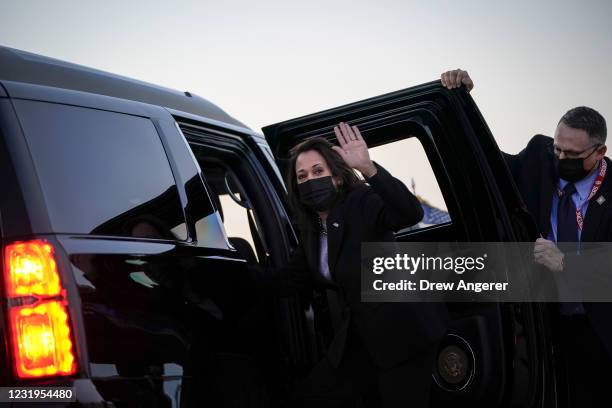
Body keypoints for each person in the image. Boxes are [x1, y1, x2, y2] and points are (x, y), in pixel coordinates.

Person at [441, 69, 612, 407]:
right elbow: (491, 167)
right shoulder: (539, 155)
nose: (561, 158)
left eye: (572, 155)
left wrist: (566, 262)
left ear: (600, 151)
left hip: (599, 328)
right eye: (558, 148)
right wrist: (462, 102)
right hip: (547, 324)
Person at [250, 122, 449, 407]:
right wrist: (227, 272)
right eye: (302, 176)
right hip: (360, 336)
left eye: (318, 171)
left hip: (403, 333)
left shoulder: (361, 202)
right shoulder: (311, 228)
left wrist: (368, 168)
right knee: (311, 396)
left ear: (338, 177)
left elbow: (408, 212)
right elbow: (288, 280)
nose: (310, 181)